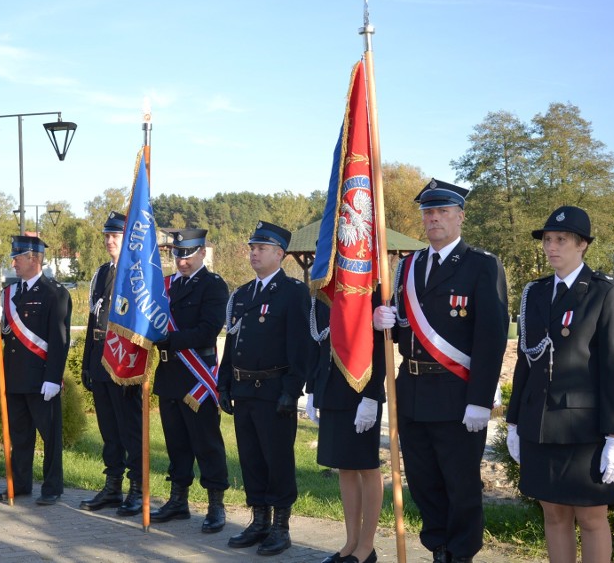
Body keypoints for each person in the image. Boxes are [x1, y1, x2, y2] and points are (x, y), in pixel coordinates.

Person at [372, 179, 508, 563]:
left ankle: (461, 554)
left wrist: (481, 400)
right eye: (428, 213)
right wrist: (385, 320)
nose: (433, 219)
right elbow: (403, 331)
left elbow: (491, 337)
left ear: (460, 217)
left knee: (460, 484)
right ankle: (439, 549)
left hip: (457, 392)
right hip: (412, 390)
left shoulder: (482, 265)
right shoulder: (407, 266)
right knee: (423, 481)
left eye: (442, 212)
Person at [505, 206, 614, 563]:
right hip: (539, 425)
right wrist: (514, 421)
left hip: (583, 429)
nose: (551, 247)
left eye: (561, 239)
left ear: (583, 245)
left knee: (591, 516)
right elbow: (526, 362)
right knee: (553, 512)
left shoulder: (604, 292)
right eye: (547, 239)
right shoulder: (536, 293)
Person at [217, 221, 312, 557]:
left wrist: (291, 389)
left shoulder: (293, 292)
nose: (253, 253)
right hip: (244, 390)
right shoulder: (242, 294)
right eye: (252, 247)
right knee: (251, 459)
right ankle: (258, 521)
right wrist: (223, 383)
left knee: (277, 460)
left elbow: (300, 347)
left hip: (274, 391)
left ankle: (280, 527)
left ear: (279, 254)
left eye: (261, 248)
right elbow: (232, 343)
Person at [150, 228, 230, 533]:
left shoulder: (213, 286)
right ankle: (178, 500)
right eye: (177, 254)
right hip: (170, 375)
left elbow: (208, 331)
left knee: (206, 443)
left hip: (197, 378)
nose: (181, 260)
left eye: (187, 254)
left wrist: (168, 339)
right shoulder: (166, 286)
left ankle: (215, 505)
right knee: (176, 443)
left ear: (201, 253)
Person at [0, 235, 72, 506]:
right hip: (15, 378)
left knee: (50, 437)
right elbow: (5, 334)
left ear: (34, 259)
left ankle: (52, 487)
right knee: (20, 437)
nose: (13, 262)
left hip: (41, 380)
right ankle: (20, 485)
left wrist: (53, 378)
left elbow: (59, 340)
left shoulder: (55, 293)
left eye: (18, 257)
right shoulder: (9, 293)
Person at [308, 297, 385, 563]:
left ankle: (366, 546)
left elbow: (379, 347)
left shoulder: (368, 287)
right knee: (345, 466)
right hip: (331, 390)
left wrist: (373, 395)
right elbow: (318, 343)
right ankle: (351, 542)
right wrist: (312, 391)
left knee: (366, 466)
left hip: (360, 391)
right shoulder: (325, 290)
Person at [78, 212, 144, 516]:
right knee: (109, 432)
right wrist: (87, 363)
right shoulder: (102, 273)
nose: (109, 241)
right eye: (106, 236)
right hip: (101, 361)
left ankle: (137, 489)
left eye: (115, 236)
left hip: (124, 364)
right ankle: (113, 487)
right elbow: (94, 318)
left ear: (128, 239)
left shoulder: (136, 274)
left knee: (130, 430)